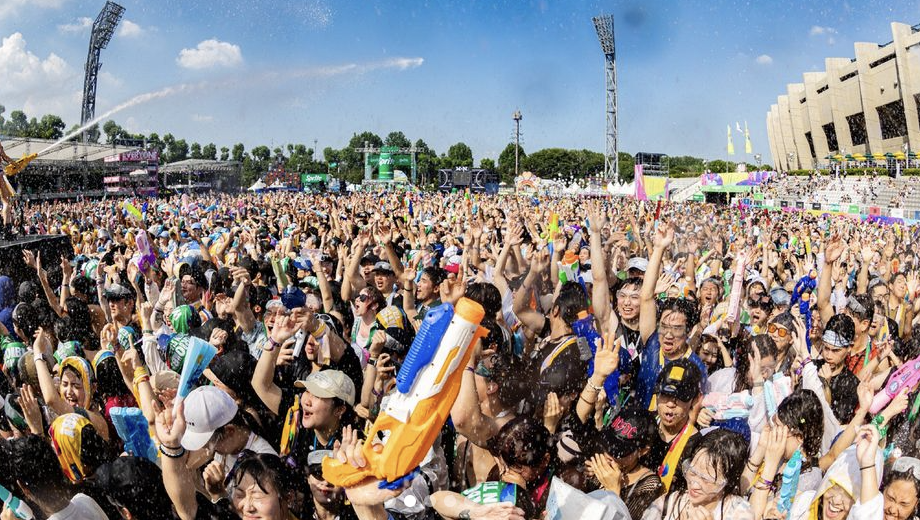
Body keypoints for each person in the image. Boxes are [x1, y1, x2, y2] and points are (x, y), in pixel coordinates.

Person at [640, 428, 753, 520]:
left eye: (706, 479)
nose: (694, 485)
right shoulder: (668, 504)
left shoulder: (739, 513)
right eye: (693, 473)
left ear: (728, 481)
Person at [585, 408, 664, 520]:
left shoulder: (649, 484)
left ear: (642, 451)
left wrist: (613, 490)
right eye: (608, 443)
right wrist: (584, 479)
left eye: (618, 451)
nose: (609, 453)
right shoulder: (601, 460)